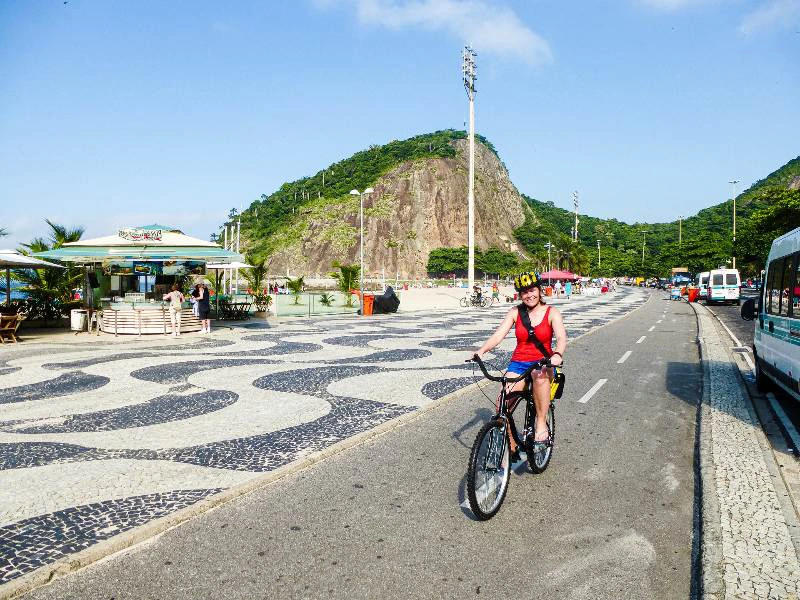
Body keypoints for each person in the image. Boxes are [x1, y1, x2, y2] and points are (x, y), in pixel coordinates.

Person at [473, 270, 567, 456]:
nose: (529, 295)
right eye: (524, 292)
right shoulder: (515, 312)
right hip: (519, 364)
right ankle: (511, 444)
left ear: (539, 291)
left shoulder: (551, 313)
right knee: (502, 403)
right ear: (520, 294)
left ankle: (541, 423)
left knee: (539, 376)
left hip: (543, 363)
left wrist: (557, 354)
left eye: (532, 290)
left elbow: (562, 338)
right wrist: (481, 351)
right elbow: (499, 335)